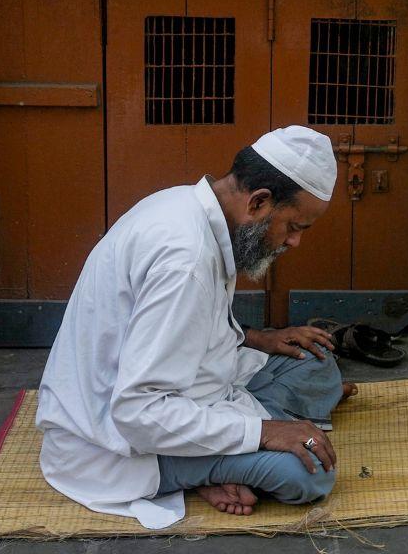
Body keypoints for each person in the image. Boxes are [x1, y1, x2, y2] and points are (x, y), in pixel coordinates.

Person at [36, 126, 357, 528]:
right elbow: (137, 413)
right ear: (259, 202)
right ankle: (210, 466)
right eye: (294, 227)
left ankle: (233, 449)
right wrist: (264, 432)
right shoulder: (184, 262)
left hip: (190, 390)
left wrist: (258, 339)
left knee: (316, 361)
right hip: (113, 444)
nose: (294, 243)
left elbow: (190, 329)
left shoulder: (188, 205)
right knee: (308, 475)